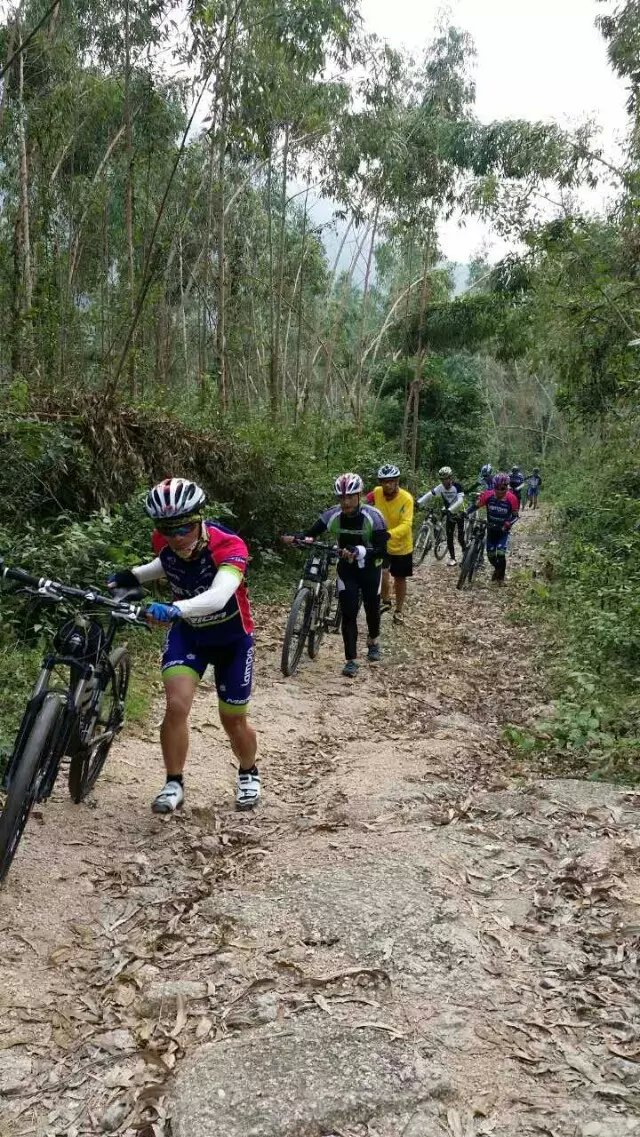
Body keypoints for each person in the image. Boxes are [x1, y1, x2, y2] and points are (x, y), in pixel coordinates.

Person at [108, 478, 259, 814]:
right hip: (189, 635)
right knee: (176, 706)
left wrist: (176, 608)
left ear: (199, 518)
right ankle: (173, 782)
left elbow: (219, 596)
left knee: (233, 720)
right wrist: (132, 576)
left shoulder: (228, 544)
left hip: (232, 640)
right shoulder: (164, 541)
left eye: (184, 528)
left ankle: (248, 771)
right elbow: (167, 563)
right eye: (167, 529)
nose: (176, 537)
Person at [283, 473, 388, 678]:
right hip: (347, 568)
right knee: (348, 611)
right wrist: (297, 538)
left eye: (350, 497)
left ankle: (373, 640)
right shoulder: (332, 515)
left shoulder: (373, 517)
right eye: (341, 498)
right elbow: (311, 533)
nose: (346, 502)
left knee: (371, 608)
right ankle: (351, 660)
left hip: (370, 568)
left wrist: (360, 550)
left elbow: (382, 550)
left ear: (359, 496)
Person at [366, 464, 414, 625]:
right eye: (384, 481)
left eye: (391, 481)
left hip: (401, 545)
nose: (388, 485)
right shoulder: (377, 492)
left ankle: (399, 610)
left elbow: (407, 524)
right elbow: (363, 503)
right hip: (382, 543)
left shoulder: (406, 499)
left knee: (399, 579)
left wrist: (389, 534)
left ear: (397, 481)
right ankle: (385, 600)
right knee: (381, 572)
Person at [465, 472, 519, 584]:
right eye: (496, 488)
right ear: (493, 486)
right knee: (490, 554)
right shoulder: (488, 495)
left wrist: (508, 523)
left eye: (502, 488)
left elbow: (515, 516)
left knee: (500, 553)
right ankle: (497, 569)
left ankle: (501, 578)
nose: (499, 491)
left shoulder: (512, 498)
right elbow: (476, 506)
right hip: (490, 528)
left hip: (503, 531)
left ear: (507, 487)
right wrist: (465, 512)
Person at [417, 466, 466, 567]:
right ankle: (453, 558)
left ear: (450, 478)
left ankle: (466, 554)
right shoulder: (440, 487)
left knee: (460, 538)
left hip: (459, 512)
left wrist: (450, 509)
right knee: (449, 536)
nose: (444, 481)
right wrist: (419, 502)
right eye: (442, 479)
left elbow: (460, 501)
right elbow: (429, 494)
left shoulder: (457, 486)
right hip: (449, 513)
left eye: (446, 478)